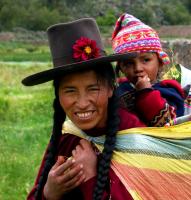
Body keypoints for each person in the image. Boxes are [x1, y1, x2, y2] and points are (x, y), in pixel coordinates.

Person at [22, 18, 146, 200]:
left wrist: (89, 177)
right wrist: (49, 193)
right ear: (58, 95)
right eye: (70, 91)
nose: (81, 103)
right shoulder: (66, 137)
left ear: (111, 88)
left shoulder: (135, 138)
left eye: (93, 89)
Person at [111, 13, 186, 127]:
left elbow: (169, 124)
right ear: (120, 67)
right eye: (129, 63)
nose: (138, 69)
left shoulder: (169, 91)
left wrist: (145, 93)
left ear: (160, 62)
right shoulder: (119, 90)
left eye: (146, 60)